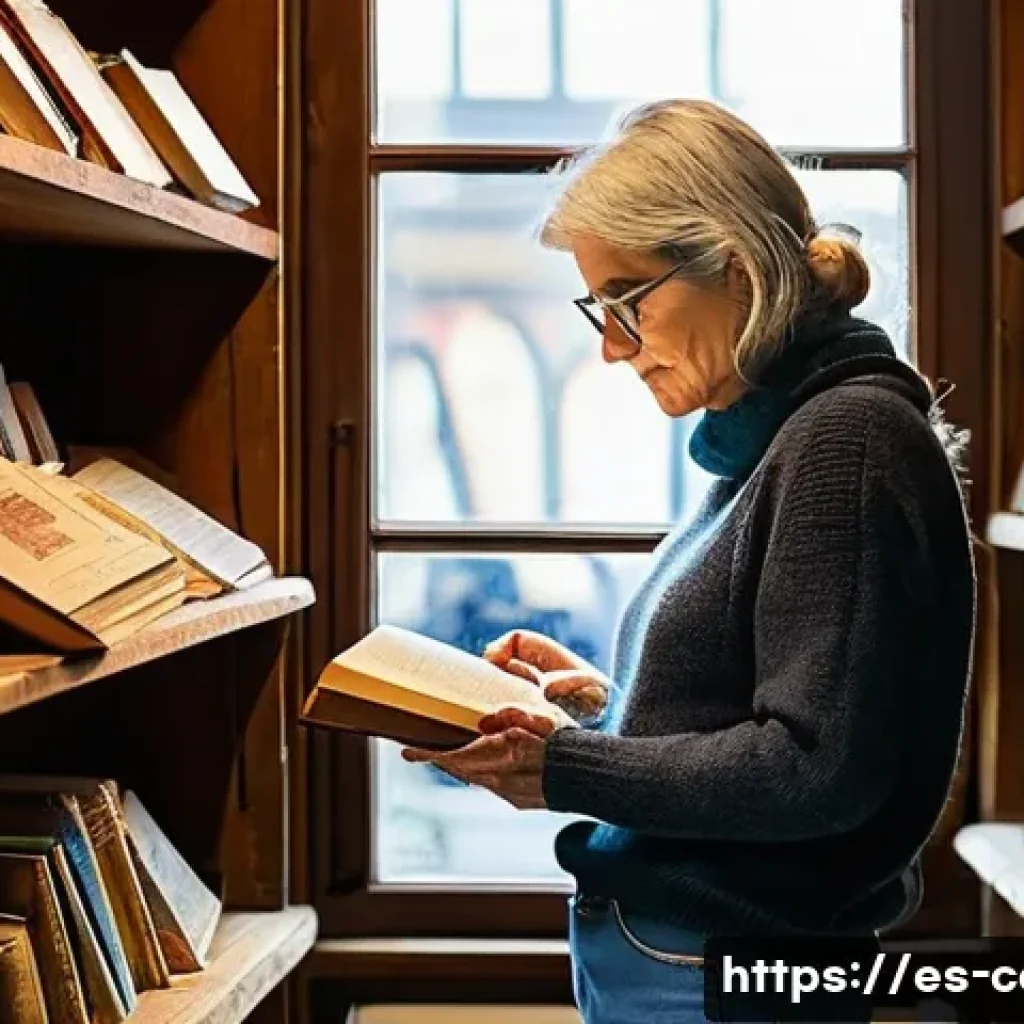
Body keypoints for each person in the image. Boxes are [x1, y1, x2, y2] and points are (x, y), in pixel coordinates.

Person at [402, 99, 977, 1024]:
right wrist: (606, 707)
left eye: (628, 301)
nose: (610, 346)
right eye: (597, 306)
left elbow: (813, 769)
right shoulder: (784, 436)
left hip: (720, 972)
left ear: (737, 270)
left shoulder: (845, 440)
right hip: (690, 962)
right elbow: (777, 700)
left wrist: (566, 769)